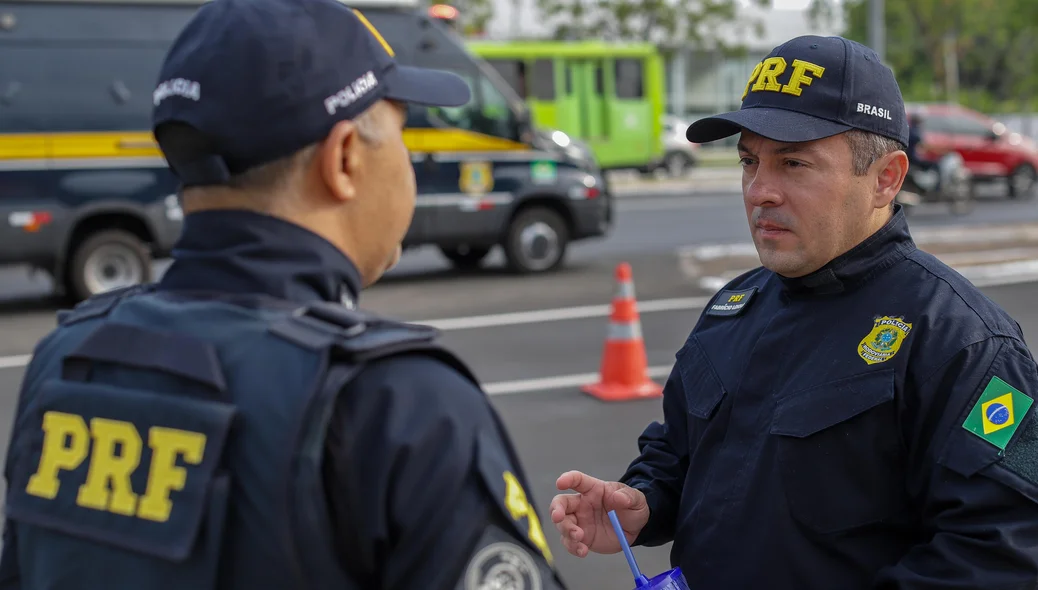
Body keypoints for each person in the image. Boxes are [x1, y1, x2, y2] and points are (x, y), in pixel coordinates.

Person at [0, 0, 565, 589]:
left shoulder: (68, 359)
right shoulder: (398, 405)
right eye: (400, 131)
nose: (409, 162)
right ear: (345, 159)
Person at [549, 34, 1038, 589]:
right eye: (749, 162)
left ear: (886, 179)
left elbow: (1005, 548)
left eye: (794, 163)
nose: (760, 191)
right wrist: (643, 500)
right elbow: (680, 448)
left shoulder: (966, 343)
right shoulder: (734, 307)